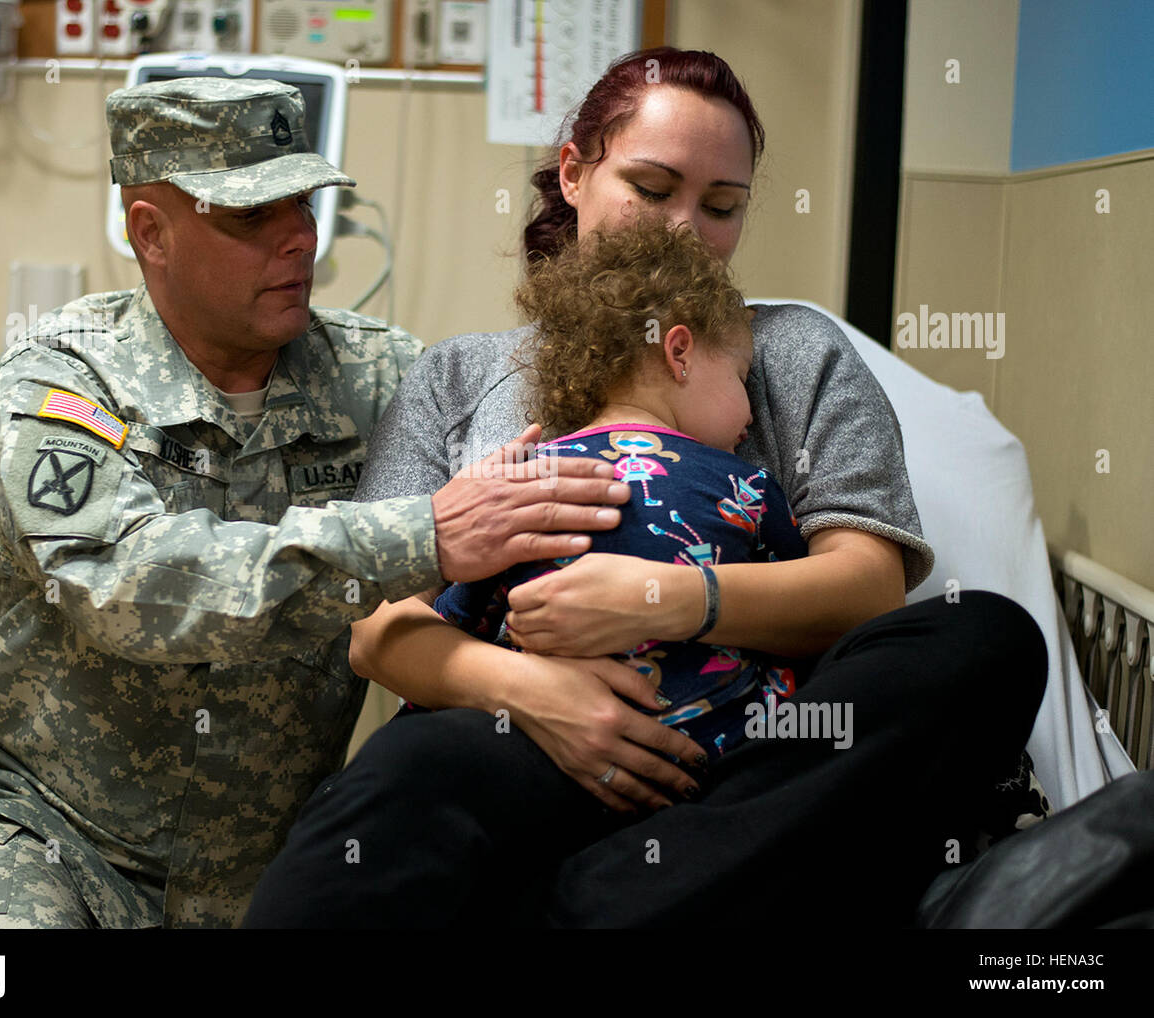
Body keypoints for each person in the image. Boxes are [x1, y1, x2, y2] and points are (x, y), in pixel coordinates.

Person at [242, 47, 1047, 928]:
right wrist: (531, 695)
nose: (683, 229)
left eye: (722, 206)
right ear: (575, 172)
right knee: (400, 780)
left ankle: (591, 905)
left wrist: (666, 599)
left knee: (985, 641)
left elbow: (865, 587)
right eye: (654, 188)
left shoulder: (794, 356)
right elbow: (379, 628)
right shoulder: (459, 377)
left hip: (752, 760)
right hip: (527, 743)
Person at [0, 77, 637, 930]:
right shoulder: (58, 384)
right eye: (250, 217)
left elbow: (541, 514)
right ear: (149, 233)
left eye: (303, 202)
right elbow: (130, 585)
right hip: (40, 836)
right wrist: (423, 534)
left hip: (264, 873)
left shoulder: (385, 379)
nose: (300, 238)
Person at [434, 217, 809, 762]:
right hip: (718, 769)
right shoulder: (747, 484)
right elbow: (805, 617)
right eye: (740, 378)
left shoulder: (520, 487)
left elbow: (454, 621)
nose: (752, 413)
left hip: (546, 761)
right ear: (678, 353)